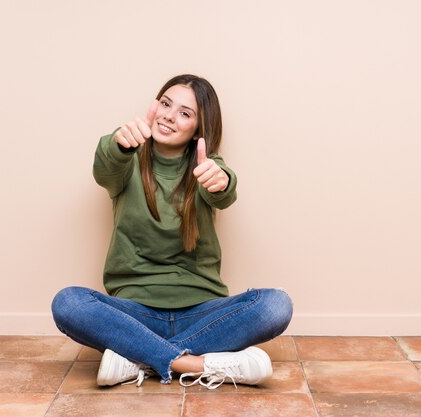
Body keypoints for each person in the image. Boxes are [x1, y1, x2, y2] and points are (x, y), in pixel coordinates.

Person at [51, 74, 293, 389]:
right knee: (68, 302)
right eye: (166, 103)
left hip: (203, 313)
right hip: (135, 312)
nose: (169, 115)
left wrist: (222, 181)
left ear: (198, 129)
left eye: (185, 113)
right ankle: (194, 364)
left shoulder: (206, 167)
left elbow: (223, 188)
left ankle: (139, 356)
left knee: (276, 305)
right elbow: (105, 164)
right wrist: (119, 143)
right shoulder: (127, 159)